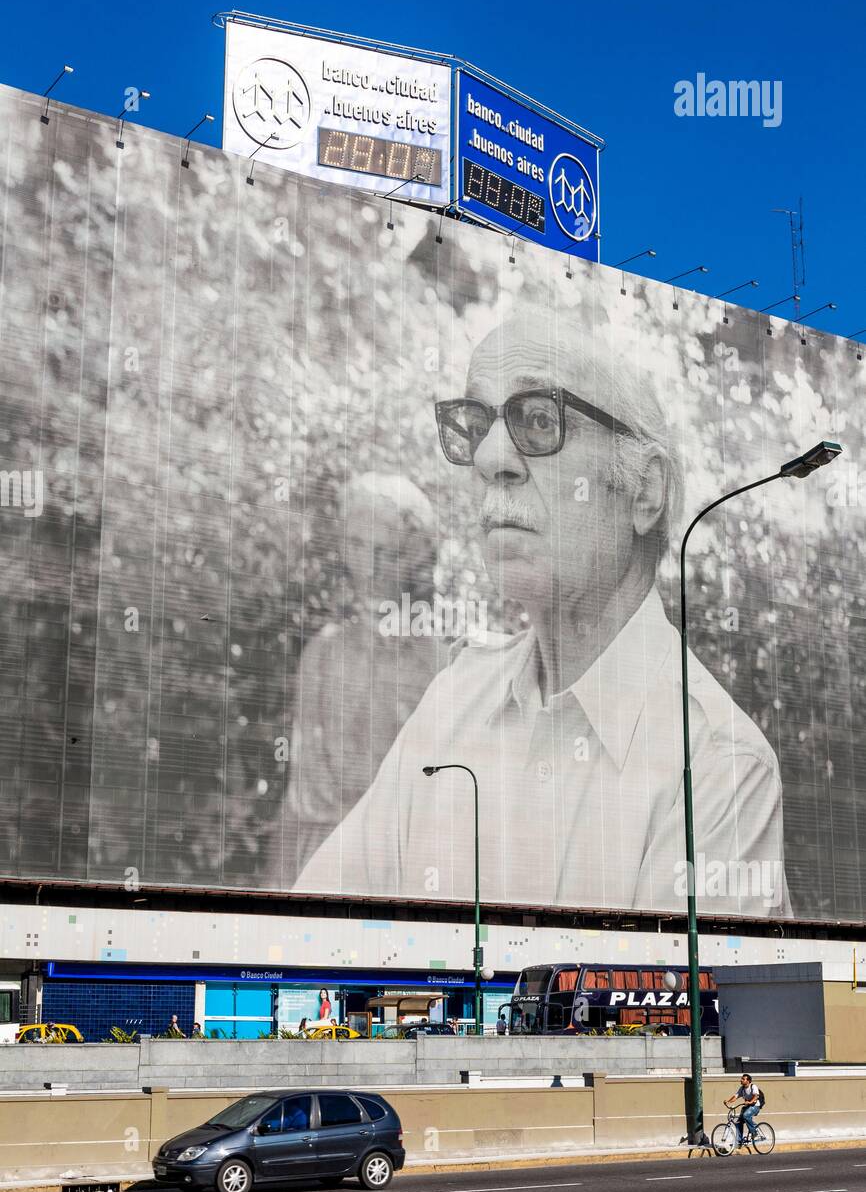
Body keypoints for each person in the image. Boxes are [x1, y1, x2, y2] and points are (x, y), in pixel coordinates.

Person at [295, 308, 789, 918]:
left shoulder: (717, 768)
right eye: (475, 423)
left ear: (644, 492)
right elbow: (308, 944)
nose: (488, 459)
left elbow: (659, 1015)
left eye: (538, 419)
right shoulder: (452, 699)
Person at [274, 472, 443, 881]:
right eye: (356, 545)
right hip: (321, 859)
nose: (368, 567)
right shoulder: (323, 651)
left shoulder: (437, 662)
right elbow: (299, 795)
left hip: (402, 864)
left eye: (385, 551)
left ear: (414, 557)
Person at [725, 1072, 763, 1147]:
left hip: (755, 1106)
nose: (741, 1080)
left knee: (746, 1115)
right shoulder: (742, 1089)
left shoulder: (753, 1086)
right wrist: (728, 1101)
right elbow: (735, 1096)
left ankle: (754, 1132)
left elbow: (756, 1096)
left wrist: (750, 1102)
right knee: (739, 1122)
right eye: (741, 1079)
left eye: (743, 1079)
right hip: (747, 1106)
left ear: (748, 1081)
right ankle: (739, 1141)